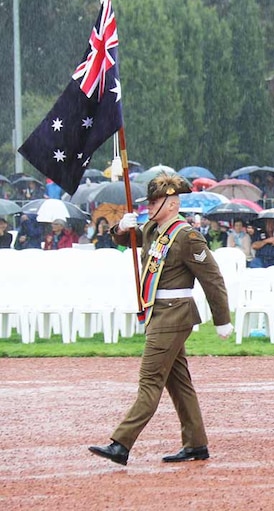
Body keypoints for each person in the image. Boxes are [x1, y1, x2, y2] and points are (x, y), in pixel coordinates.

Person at [89, 173, 233, 466]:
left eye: (155, 201)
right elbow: (126, 239)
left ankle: (121, 443)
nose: (150, 206)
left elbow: (213, 279)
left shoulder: (186, 235)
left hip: (174, 312)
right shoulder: (154, 229)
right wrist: (121, 226)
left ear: (171, 203)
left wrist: (222, 319)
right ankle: (195, 443)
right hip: (159, 311)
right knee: (178, 383)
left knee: (150, 380)